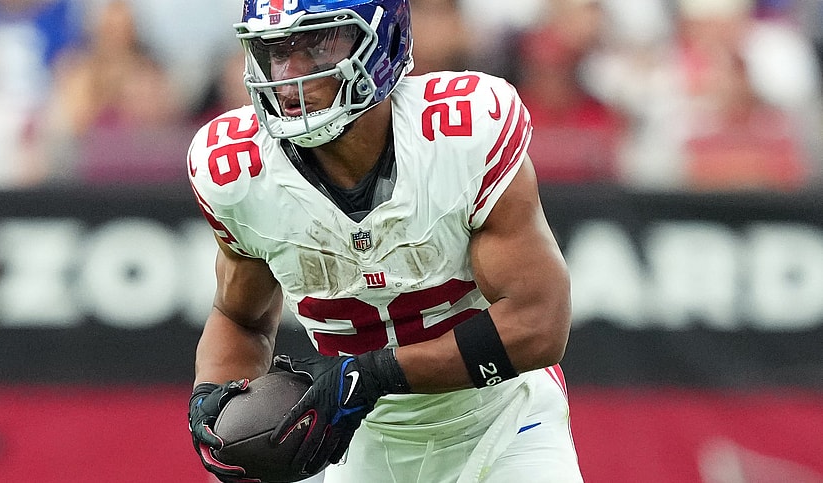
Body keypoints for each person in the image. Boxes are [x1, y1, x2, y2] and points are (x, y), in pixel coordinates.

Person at [186, 1, 582, 482]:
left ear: (382, 44)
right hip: (362, 445)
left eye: (316, 43)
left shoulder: (463, 132)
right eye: (275, 49)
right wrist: (213, 396)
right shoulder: (238, 169)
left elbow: (539, 324)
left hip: (502, 422)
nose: (288, 73)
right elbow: (239, 317)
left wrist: (376, 374)